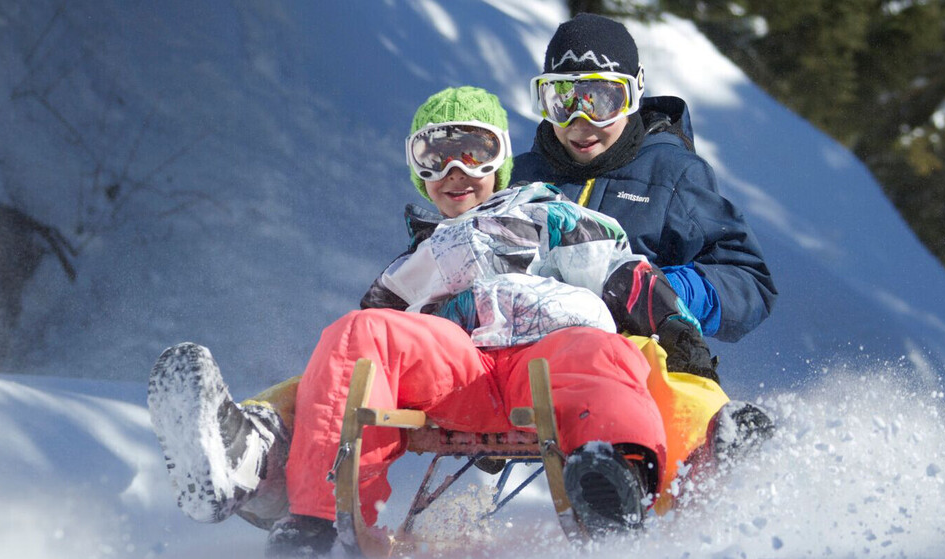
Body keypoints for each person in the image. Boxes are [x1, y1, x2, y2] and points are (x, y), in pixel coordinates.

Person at [149, 86, 720, 557]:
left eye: (475, 152)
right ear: (417, 170)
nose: (455, 170)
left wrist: (674, 326)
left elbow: (622, 274)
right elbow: (361, 363)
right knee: (356, 334)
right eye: (435, 156)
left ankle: (614, 477)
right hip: (459, 368)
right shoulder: (418, 260)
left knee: (600, 355)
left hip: (550, 347)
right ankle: (316, 519)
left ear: (501, 162)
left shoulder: (550, 217)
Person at [512, 13, 778, 378]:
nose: (580, 120)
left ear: (633, 94)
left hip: (638, 363)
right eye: (562, 99)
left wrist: (667, 290)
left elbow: (749, 283)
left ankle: (715, 426)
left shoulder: (671, 175)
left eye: (600, 100)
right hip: (522, 358)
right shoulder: (519, 178)